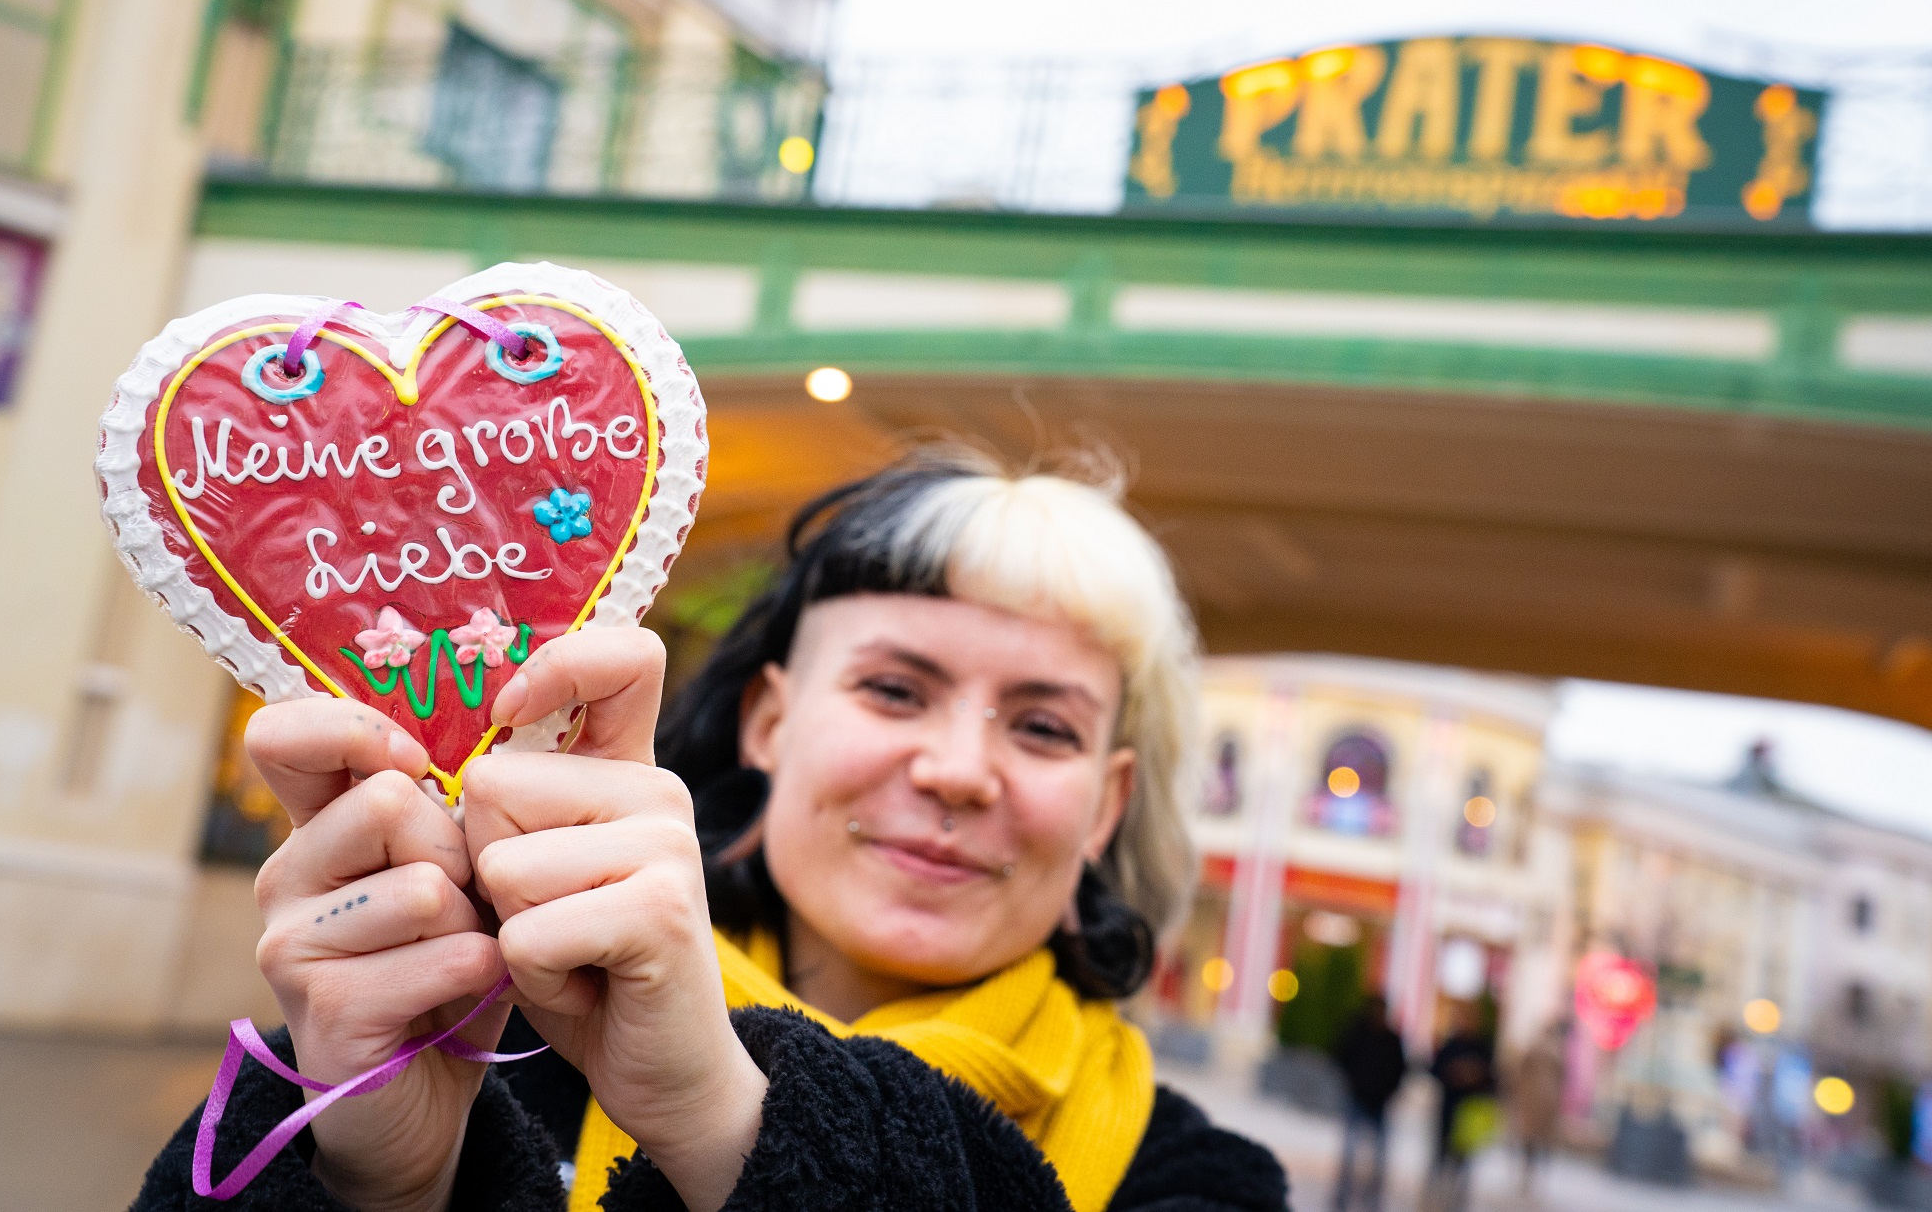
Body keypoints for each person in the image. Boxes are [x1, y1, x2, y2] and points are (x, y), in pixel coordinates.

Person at [132, 450, 1291, 1211]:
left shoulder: (1199, 1176)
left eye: (1041, 726)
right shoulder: (488, 1042)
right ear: (768, 724)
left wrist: (722, 1110)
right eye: (893, 690)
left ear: (1104, 805)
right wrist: (379, 1184)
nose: (956, 769)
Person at [1330, 993, 1407, 1211]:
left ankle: (1372, 1200)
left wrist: (1390, 1090)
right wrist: (1353, 1081)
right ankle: (1343, 1196)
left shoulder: (1391, 1039)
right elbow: (1341, 1055)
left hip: (1380, 1102)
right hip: (1358, 1098)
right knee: (1350, 1152)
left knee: (1379, 1156)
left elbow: (1400, 1068)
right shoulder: (1358, 1033)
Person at [1422, 1002, 1497, 1212]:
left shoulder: (1482, 1048)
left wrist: (1475, 1075)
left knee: (1462, 1165)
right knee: (1440, 1159)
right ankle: (1433, 1200)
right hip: (1448, 1111)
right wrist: (1452, 1072)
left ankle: (1455, 1204)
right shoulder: (1451, 1045)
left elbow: (1492, 1082)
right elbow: (1435, 1070)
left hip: (1468, 1115)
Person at [1511, 1022, 1568, 1197]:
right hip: (1542, 1100)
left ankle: (1530, 1172)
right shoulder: (1554, 1051)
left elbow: (1520, 1070)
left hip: (1537, 1099)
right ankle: (1533, 1172)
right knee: (1537, 1139)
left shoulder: (1538, 1049)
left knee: (1533, 1139)